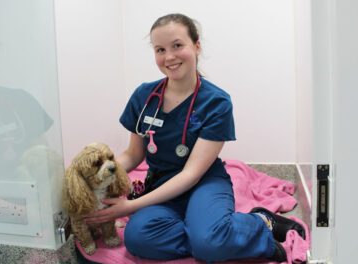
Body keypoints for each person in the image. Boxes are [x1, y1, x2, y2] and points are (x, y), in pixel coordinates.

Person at [84, 13, 305, 263]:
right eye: (160, 49)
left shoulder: (216, 102)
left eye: (177, 45)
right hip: (160, 185)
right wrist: (94, 175)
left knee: (208, 241)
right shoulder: (144, 96)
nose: (169, 57)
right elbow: (134, 154)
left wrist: (130, 207)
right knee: (138, 238)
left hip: (204, 183)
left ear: (196, 45)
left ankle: (259, 224)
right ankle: (211, 235)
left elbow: (191, 174)